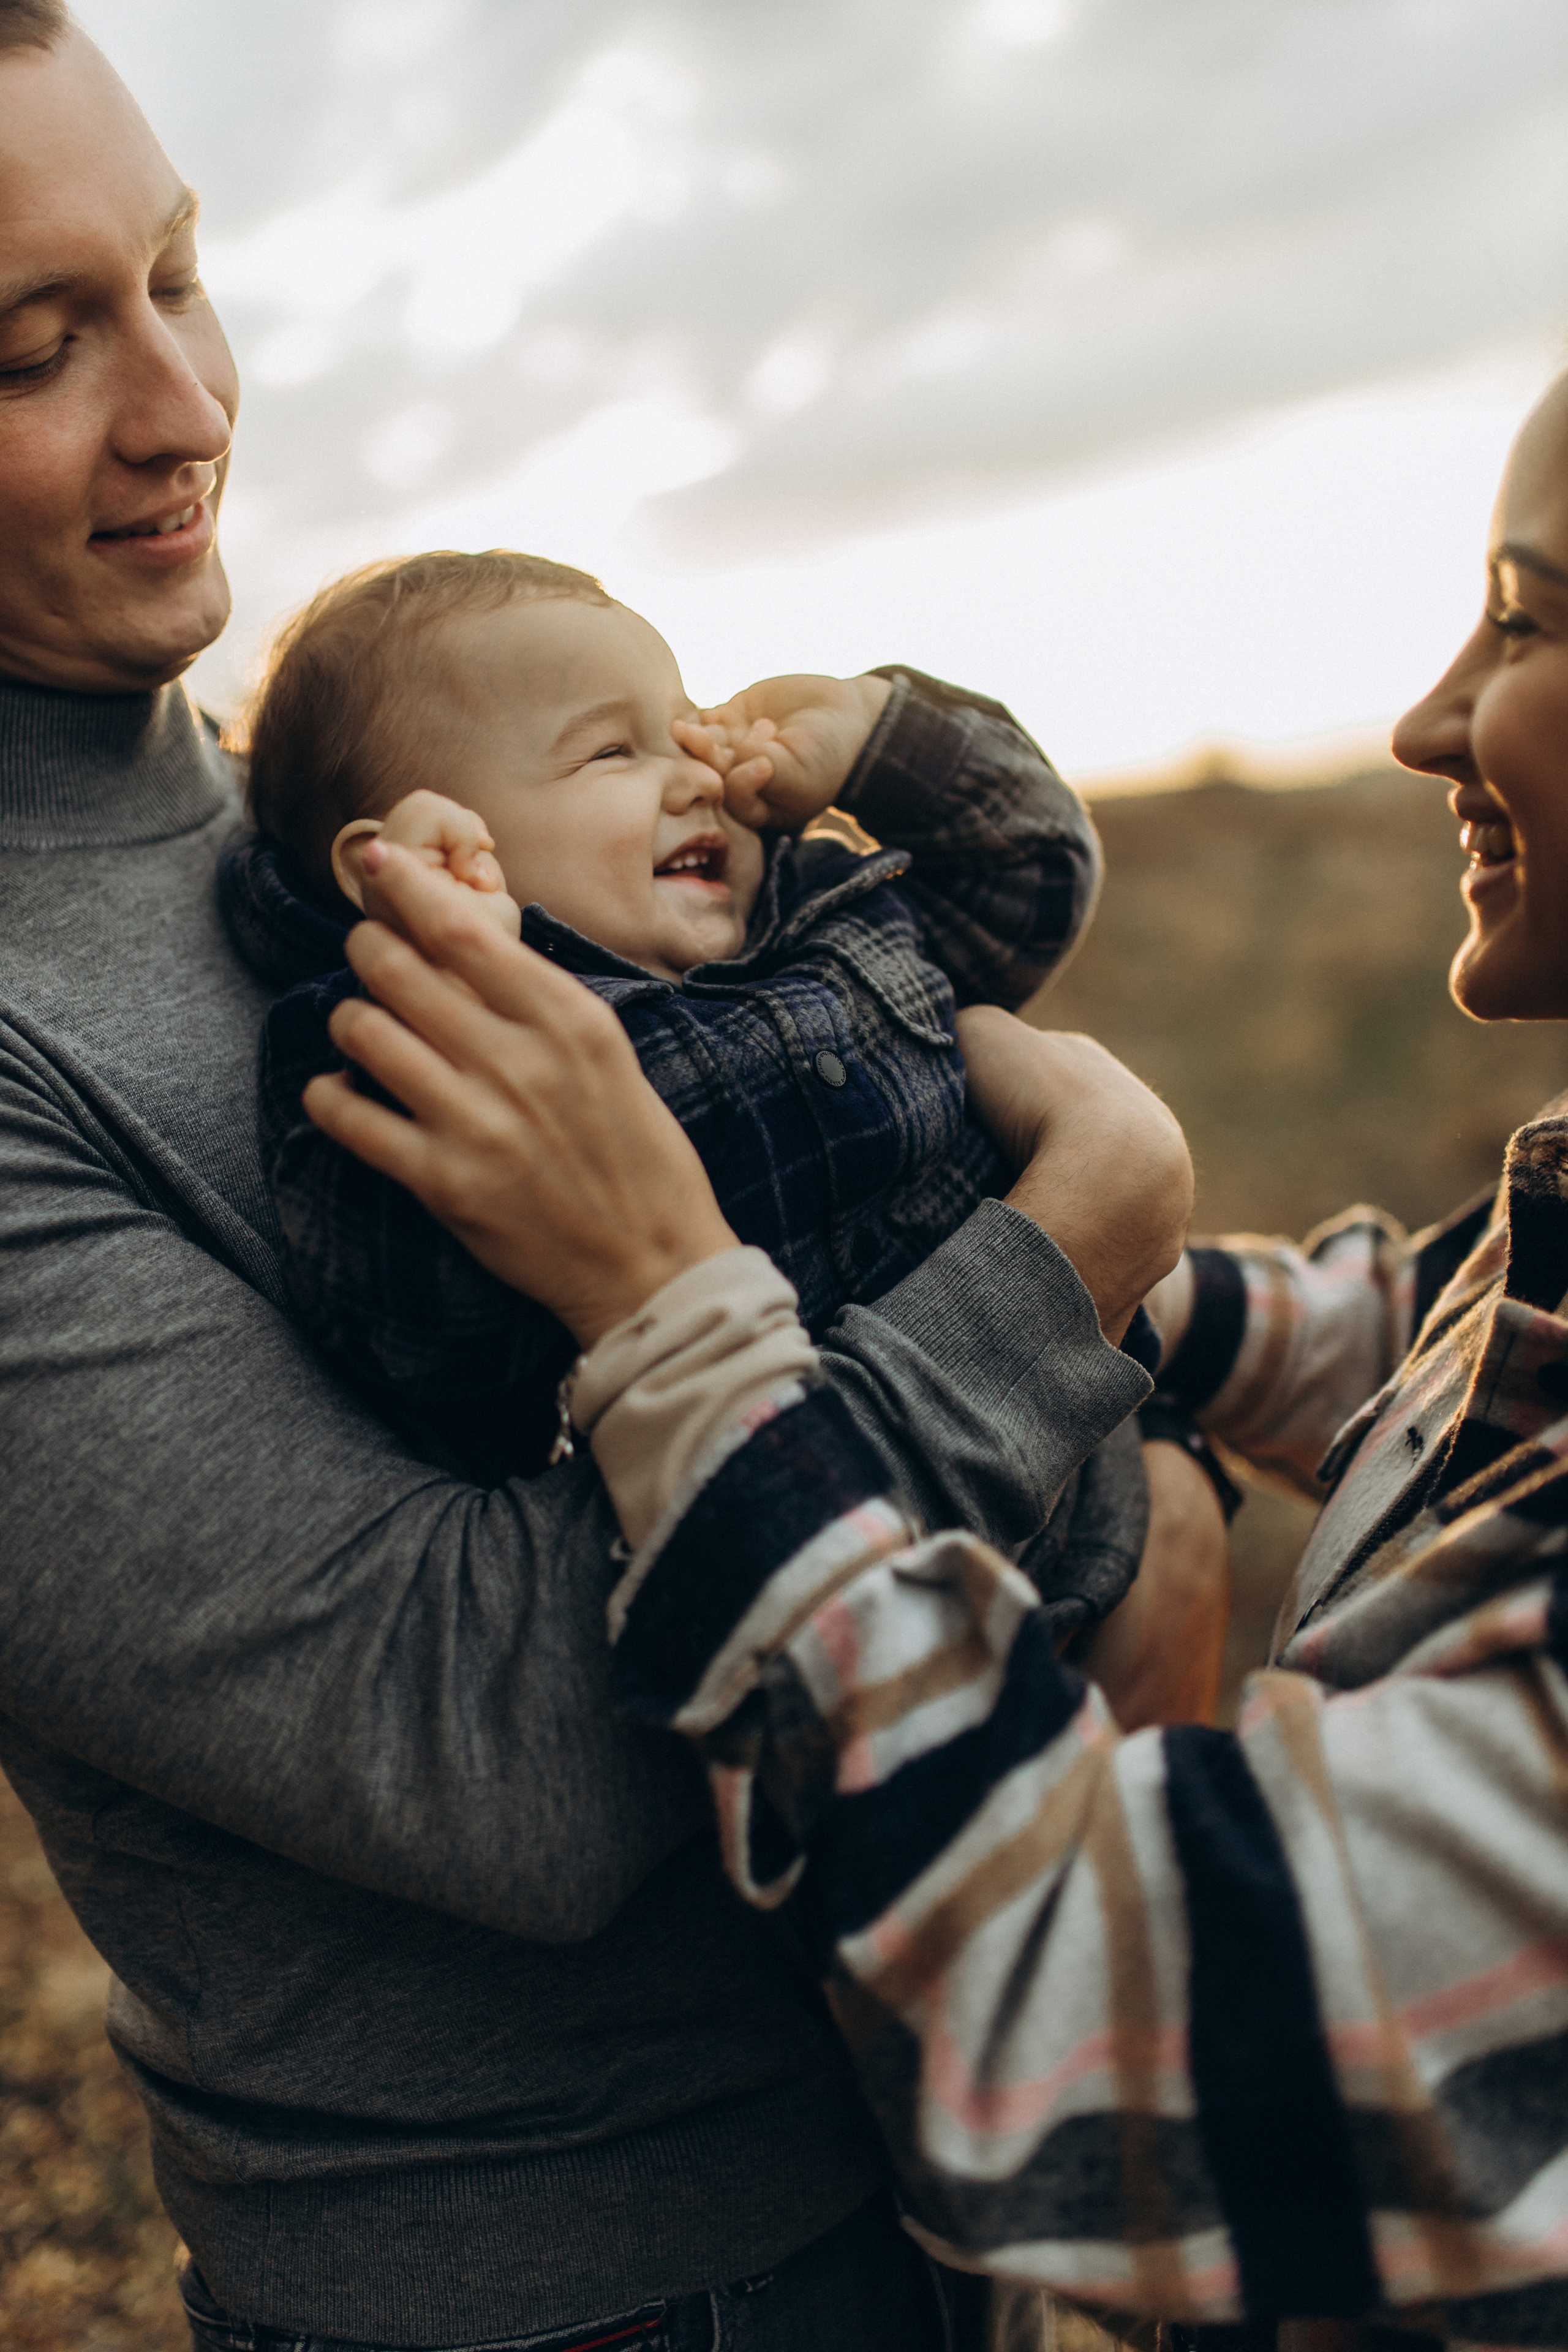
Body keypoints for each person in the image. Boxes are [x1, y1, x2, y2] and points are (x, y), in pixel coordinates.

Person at [0, 11, 1200, 2345]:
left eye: (177, 274)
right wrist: (1052, 1284)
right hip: (588, 2288)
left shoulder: (329, 810)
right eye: (33, 349)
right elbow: (506, 1766)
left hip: (946, 2160)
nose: (181, 411)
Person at [312, 375, 1568, 2347]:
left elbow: (1086, 2004)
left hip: (943, 1747)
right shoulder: (494, 1035)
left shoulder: (808, 934)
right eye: (606, 751)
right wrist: (1100, 1274)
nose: (1424, 716)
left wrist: (677, 1300)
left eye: (1527, 617)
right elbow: (1447, 1346)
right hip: (875, 1685)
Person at [221, 547, 1169, 1646]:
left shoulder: (816, 911)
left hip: (1078, 1498)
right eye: (612, 750)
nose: (698, 774)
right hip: (813, 1627)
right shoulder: (392, 1047)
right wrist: (465, 984)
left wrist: (876, 736)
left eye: (687, 728)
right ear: (407, 863)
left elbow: (1033, 878)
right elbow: (423, 1324)